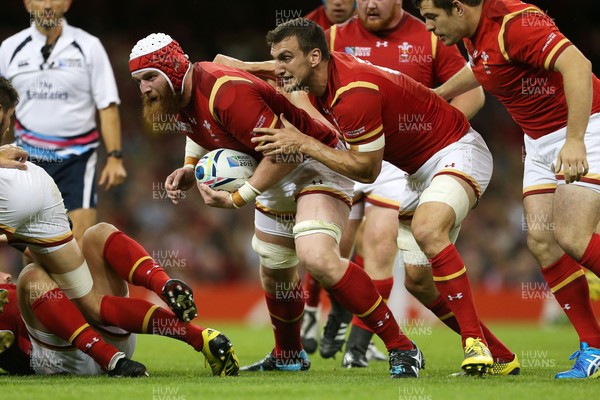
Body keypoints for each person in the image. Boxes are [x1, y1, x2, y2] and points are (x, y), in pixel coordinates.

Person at [129, 33, 424, 378]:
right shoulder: (179, 94)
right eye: (138, 81)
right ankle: (288, 355)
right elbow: (197, 128)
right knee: (274, 268)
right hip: (275, 168)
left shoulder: (226, 92)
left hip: (314, 161)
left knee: (317, 256)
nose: (144, 88)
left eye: (150, 77)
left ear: (173, 68)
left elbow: (287, 150)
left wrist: (240, 197)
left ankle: (402, 347)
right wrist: (191, 168)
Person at [243, 17, 508, 375]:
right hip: (416, 172)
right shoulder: (327, 74)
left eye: (286, 58)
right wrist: (241, 67)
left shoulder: (352, 94)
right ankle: (502, 356)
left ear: (315, 58)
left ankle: (473, 343)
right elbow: (284, 71)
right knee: (418, 282)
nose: (279, 68)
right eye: (276, 58)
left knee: (429, 230)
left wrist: (302, 142)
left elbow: (367, 170)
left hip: (455, 151)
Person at [0, 76, 239, 377]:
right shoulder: (26, 174)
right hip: (89, 342)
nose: (10, 127)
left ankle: (117, 354)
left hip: (71, 348)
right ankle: (183, 317)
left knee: (71, 251)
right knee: (70, 275)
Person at [411, 0, 600, 379]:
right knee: (543, 243)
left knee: (573, 236)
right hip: (539, 141)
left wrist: (576, 139)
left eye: (433, 17)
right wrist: (441, 93)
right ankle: (593, 345)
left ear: (459, 8)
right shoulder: (473, 34)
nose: (429, 27)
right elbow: (482, 67)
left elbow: (578, 65)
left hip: (585, 127)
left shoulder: (516, 24)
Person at [302, 0, 493, 367]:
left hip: (401, 158)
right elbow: (295, 76)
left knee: (378, 242)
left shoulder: (431, 32)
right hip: (347, 145)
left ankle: (357, 346)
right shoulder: (333, 36)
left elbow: (474, 91)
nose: (370, 4)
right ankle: (317, 310)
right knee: (331, 244)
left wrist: (434, 127)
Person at [0, 221, 239, 376]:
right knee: (32, 276)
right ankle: (195, 333)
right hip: (62, 359)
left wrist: (27, 238)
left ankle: (162, 284)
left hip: (96, 335)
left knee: (98, 233)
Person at [0, 0, 127, 246]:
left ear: (67, 3)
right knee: (32, 247)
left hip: (76, 161)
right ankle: (37, 286)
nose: (47, 4)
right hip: (27, 158)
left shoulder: (89, 46)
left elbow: (107, 104)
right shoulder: (9, 49)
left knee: (78, 242)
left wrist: (115, 157)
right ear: (27, 4)